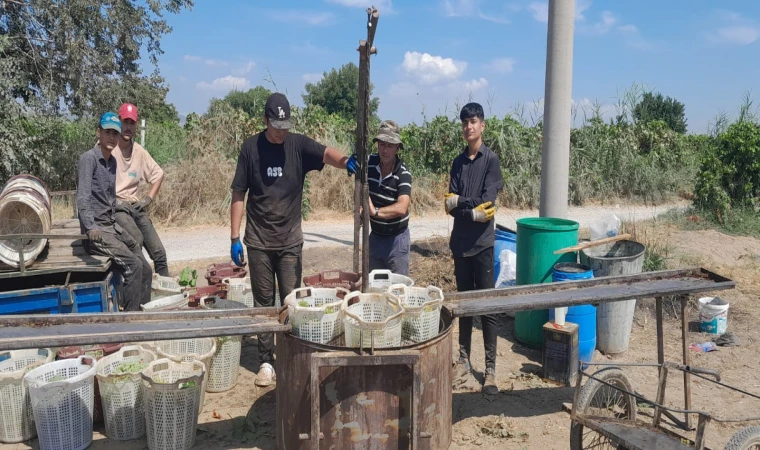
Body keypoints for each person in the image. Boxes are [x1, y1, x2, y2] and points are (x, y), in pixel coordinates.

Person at [229, 93, 358, 387]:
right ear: (264, 120)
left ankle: (289, 355)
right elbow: (239, 192)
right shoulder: (251, 148)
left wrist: (347, 161)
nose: (281, 131)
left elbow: (326, 153)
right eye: (276, 125)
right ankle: (265, 360)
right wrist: (234, 237)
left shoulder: (298, 145)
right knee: (264, 303)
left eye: (285, 125)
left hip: (289, 242)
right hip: (258, 241)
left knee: (291, 301)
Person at [445, 102, 503, 394]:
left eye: (474, 121)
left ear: (482, 125)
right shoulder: (458, 162)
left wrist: (461, 202)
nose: (469, 126)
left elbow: (488, 201)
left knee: (488, 307)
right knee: (465, 306)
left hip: (482, 245)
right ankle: (464, 359)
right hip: (461, 245)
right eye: (465, 122)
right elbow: (450, 205)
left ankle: (490, 370)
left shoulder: (490, 161)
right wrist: (469, 209)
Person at [77, 112, 153, 311]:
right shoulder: (89, 159)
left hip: (111, 226)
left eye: (115, 134)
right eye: (108, 132)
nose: (112, 137)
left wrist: (120, 210)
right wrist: (90, 227)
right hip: (97, 232)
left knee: (143, 263)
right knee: (133, 266)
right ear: (99, 133)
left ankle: (142, 308)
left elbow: (109, 199)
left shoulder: (112, 162)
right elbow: (83, 198)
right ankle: (130, 321)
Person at [112, 103, 169, 276]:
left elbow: (159, 174)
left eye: (132, 123)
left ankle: (165, 294)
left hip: (134, 206)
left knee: (160, 254)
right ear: (119, 121)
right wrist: (114, 202)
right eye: (125, 122)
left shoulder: (139, 151)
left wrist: (148, 199)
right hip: (116, 207)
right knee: (136, 241)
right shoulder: (108, 147)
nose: (128, 127)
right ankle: (138, 295)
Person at [366, 120, 412, 275]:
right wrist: (361, 206)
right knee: (374, 286)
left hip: (397, 240)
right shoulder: (369, 163)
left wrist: (375, 212)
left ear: (397, 148)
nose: (385, 150)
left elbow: (402, 207)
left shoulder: (403, 174)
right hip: (375, 237)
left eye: (390, 146)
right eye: (382, 144)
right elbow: (358, 184)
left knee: (398, 290)